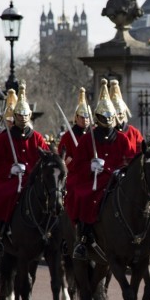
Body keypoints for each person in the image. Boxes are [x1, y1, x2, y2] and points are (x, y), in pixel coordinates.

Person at [71, 82, 138, 259]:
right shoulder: (88, 139)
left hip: (117, 179)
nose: (107, 120)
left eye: (110, 116)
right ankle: (83, 238)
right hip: (95, 180)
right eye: (104, 116)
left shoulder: (122, 139)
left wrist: (121, 170)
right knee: (86, 198)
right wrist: (90, 166)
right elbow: (77, 165)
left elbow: (130, 160)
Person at [0, 84, 48, 257]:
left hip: (32, 179)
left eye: (26, 115)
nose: (23, 118)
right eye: (20, 115)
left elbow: (46, 157)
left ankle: (52, 235)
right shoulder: (5, 138)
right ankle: (0, 235)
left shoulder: (37, 137)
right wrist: (10, 169)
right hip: (11, 179)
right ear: (15, 116)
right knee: (2, 195)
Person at [59, 86, 92, 228]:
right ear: (76, 118)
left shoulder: (93, 135)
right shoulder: (67, 137)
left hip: (93, 173)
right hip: (76, 174)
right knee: (74, 192)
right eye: (82, 117)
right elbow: (63, 158)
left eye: (87, 117)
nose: (85, 120)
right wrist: (72, 162)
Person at [109, 79, 145, 154]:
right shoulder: (105, 132)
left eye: (120, 112)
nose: (118, 115)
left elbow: (141, 151)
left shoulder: (133, 132)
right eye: (116, 112)